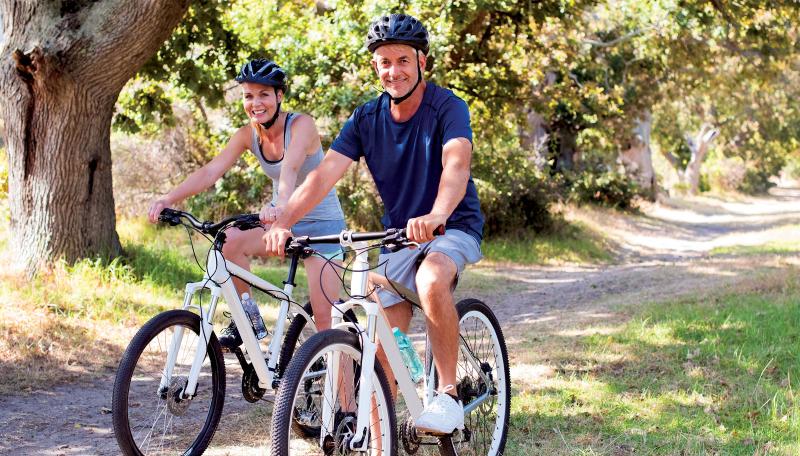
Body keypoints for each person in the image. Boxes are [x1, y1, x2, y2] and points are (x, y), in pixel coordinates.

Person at [264, 13, 484, 435]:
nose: (393, 70)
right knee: (381, 350)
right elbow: (323, 176)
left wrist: (438, 214)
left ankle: (450, 394)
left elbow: (456, 164)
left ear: (423, 62)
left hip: (452, 226)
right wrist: (286, 221)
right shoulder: (366, 118)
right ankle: (377, 437)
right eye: (384, 62)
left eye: (403, 60)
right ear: (374, 67)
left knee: (432, 279)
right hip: (398, 236)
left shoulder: (448, 107)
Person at [148, 59, 347, 347]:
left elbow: (289, 169)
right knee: (229, 241)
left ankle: (341, 391)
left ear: (280, 96)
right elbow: (210, 171)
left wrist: (280, 206)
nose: (255, 103)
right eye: (248, 95)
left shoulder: (302, 125)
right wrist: (169, 198)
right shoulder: (247, 134)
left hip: (321, 227)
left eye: (263, 94)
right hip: (280, 222)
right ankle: (247, 320)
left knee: (326, 324)